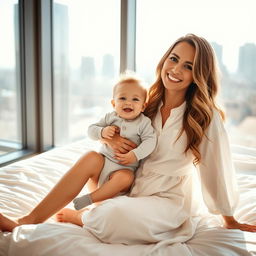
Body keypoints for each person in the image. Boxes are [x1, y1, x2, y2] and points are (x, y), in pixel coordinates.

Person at [1, 34, 256, 243]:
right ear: (164, 60)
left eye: (188, 66)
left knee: (116, 214)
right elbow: (114, 124)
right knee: (91, 157)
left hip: (167, 199)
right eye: (174, 59)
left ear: (198, 74)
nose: (176, 70)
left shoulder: (203, 116)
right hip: (125, 181)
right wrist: (109, 140)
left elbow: (216, 169)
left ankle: (82, 217)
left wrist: (228, 218)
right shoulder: (148, 101)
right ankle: (27, 220)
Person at [72, 75, 157, 210]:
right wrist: (102, 132)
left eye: (135, 99)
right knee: (89, 158)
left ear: (143, 106)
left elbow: (151, 141)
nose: (128, 103)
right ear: (113, 103)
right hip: (102, 166)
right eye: (122, 98)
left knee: (126, 178)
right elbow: (90, 130)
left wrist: (135, 155)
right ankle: (91, 202)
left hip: (123, 169)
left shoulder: (143, 122)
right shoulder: (110, 117)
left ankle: (90, 199)